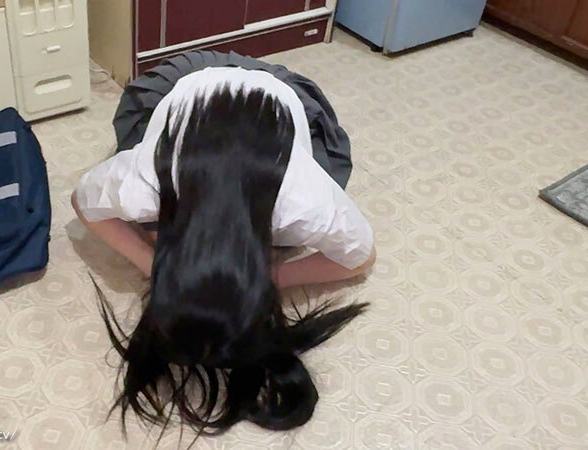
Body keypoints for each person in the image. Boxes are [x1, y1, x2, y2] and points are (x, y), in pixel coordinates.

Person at [72, 54, 375, 435]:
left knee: (332, 177)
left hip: (278, 99)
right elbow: (83, 204)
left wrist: (270, 278)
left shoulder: (300, 202)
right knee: (144, 212)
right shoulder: (146, 182)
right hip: (183, 85)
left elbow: (362, 258)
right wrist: (155, 266)